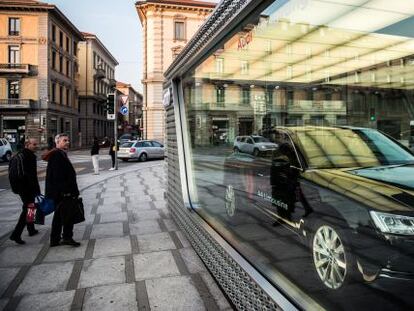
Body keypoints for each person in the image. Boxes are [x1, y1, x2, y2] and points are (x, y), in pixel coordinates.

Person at [46, 133, 80, 247]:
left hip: (61, 193)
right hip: (64, 193)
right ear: (58, 142)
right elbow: (57, 177)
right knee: (68, 216)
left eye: (68, 140)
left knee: (59, 217)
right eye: (64, 140)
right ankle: (67, 237)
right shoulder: (57, 155)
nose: (67, 142)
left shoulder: (59, 153)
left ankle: (55, 239)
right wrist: (66, 192)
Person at [9, 138, 40, 244]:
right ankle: (16, 234)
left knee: (31, 207)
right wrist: (35, 189)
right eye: (34, 144)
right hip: (26, 188)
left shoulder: (21, 155)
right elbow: (30, 176)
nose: (36, 146)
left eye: (37, 144)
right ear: (27, 145)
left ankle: (31, 229)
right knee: (28, 209)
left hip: (24, 188)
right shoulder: (27, 156)